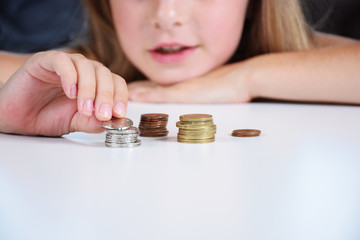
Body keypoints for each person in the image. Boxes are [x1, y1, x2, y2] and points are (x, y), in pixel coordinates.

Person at [0, 0, 359, 137]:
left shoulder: (307, 55)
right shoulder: (80, 72)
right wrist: (9, 109)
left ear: (253, 5)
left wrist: (246, 76)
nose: (166, 16)